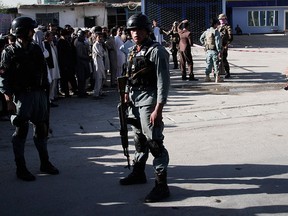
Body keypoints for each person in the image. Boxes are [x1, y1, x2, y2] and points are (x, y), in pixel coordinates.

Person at [119, 13, 170, 203]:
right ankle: (139, 172)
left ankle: (161, 185)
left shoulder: (156, 51)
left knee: (154, 142)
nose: (135, 33)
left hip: (150, 100)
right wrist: (125, 93)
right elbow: (128, 74)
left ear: (147, 30)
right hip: (134, 100)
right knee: (139, 139)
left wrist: (159, 108)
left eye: (139, 29)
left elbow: (163, 81)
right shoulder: (133, 51)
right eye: (132, 30)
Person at [0, 16, 59, 181]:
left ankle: (45, 162)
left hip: (38, 95)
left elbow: (43, 71)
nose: (33, 33)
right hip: (21, 97)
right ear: (21, 32)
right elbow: (4, 78)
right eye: (30, 30)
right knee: (21, 130)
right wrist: (8, 100)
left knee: (41, 129)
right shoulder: (9, 52)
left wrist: (46, 96)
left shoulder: (35, 49)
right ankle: (21, 167)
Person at [199, 18, 222, 82]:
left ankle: (207, 76)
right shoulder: (216, 32)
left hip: (208, 50)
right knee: (216, 64)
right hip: (214, 50)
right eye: (217, 24)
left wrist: (205, 44)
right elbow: (217, 42)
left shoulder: (207, 31)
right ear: (215, 24)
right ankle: (217, 77)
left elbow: (201, 39)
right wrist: (219, 51)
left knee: (208, 64)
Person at [91, 26, 106, 99]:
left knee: (103, 77)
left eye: (101, 37)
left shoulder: (101, 44)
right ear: (96, 37)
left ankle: (100, 91)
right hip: (97, 63)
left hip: (101, 62)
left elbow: (104, 53)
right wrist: (103, 53)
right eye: (99, 37)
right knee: (98, 78)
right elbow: (101, 53)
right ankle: (96, 93)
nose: (101, 38)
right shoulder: (95, 45)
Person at [218, 13, 233, 78]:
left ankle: (227, 72)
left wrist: (227, 43)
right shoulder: (218, 27)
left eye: (222, 19)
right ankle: (218, 72)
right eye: (220, 19)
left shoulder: (227, 27)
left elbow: (230, 37)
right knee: (217, 59)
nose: (221, 20)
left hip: (224, 45)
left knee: (224, 59)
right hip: (218, 45)